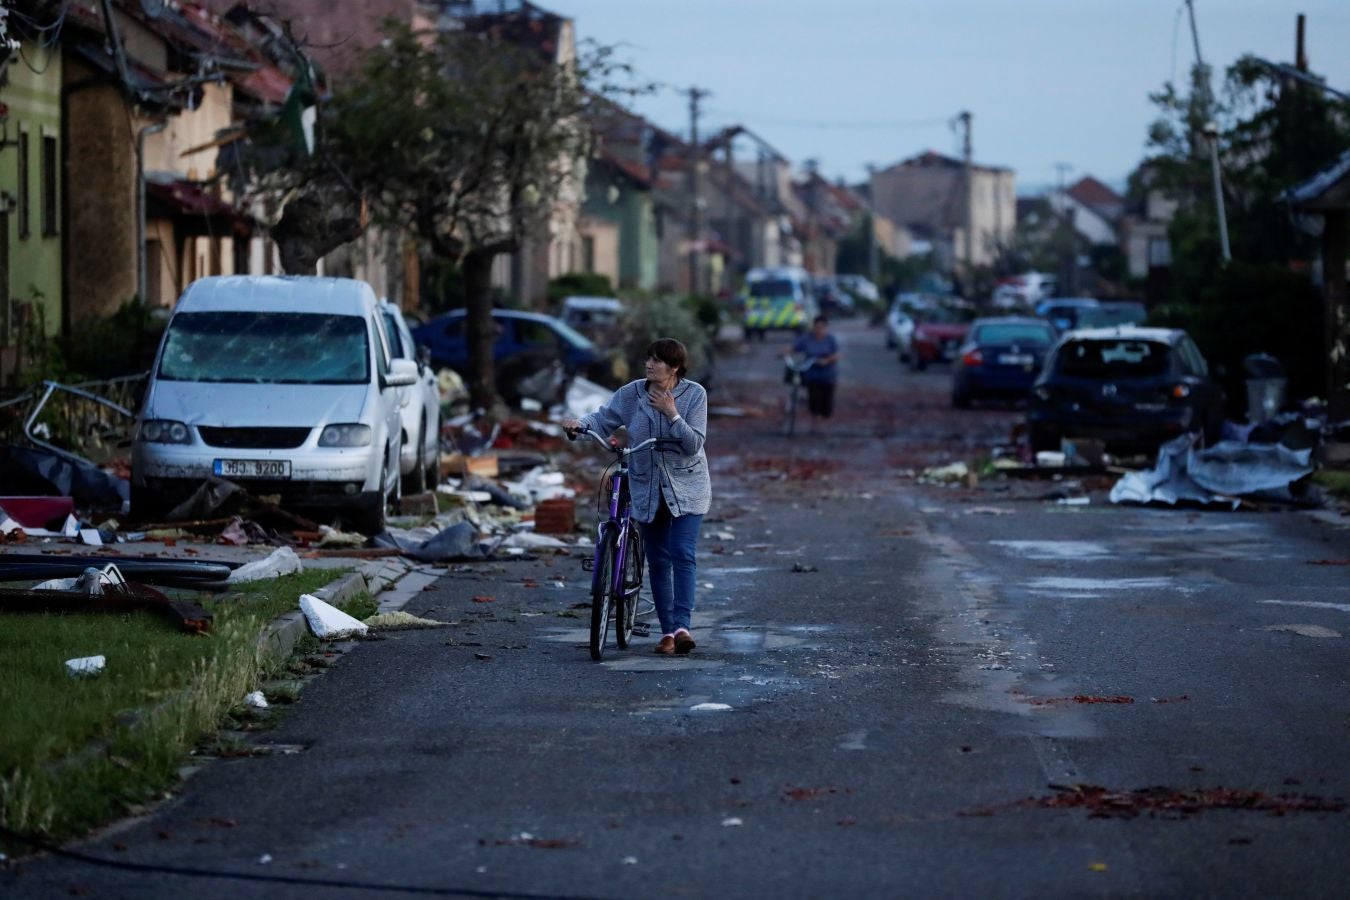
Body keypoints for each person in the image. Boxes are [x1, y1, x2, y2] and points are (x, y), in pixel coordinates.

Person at [563, 338, 711, 655]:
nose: (649, 364)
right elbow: (603, 418)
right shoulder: (631, 394)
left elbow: (693, 444)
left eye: (657, 360)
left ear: (674, 367)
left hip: (687, 486)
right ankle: (667, 632)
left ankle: (683, 627)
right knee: (657, 560)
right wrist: (580, 426)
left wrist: (672, 414)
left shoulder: (695, 394)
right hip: (647, 485)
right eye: (648, 358)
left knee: (682, 552)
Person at [787, 315, 841, 434]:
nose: (818, 330)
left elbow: (837, 355)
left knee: (826, 403)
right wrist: (784, 352)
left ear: (826, 328)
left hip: (828, 376)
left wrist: (826, 360)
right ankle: (815, 424)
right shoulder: (807, 339)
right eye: (816, 327)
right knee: (814, 399)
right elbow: (795, 347)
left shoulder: (830, 340)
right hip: (812, 375)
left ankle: (824, 422)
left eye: (821, 328)